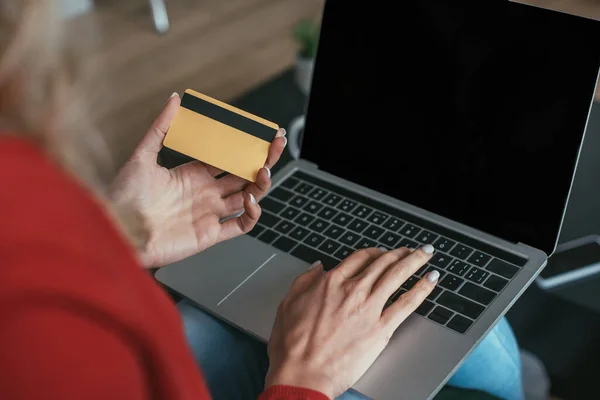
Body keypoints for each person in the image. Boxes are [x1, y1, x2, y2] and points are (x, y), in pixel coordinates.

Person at [0, 1, 538, 400]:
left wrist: (119, 241)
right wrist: (305, 378)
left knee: (205, 325)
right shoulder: (39, 331)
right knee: (474, 341)